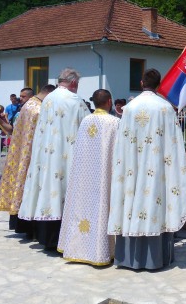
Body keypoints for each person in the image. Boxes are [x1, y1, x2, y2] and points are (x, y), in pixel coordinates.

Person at [107, 68, 186, 270]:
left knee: (131, 203)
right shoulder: (164, 108)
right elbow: (174, 144)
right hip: (156, 169)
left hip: (131, 169)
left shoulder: (129, 108)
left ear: (141, 83)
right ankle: (155, 259)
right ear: (159, 84)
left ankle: (128, 258)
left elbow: (121, 143)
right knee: (154, 205)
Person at [18, 68, 90, 250]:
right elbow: (88, 126)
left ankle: (46, 238)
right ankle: (62, 240)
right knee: (63, 193)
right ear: (73, 83)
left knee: (49, 191)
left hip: (47, 155)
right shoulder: (75, 100)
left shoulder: (47, 99)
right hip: (67, 155)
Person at [58, 89, 119, 265]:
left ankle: (78, 249)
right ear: (109, 101)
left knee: (82, 209)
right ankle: (99, 252)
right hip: (104, 176)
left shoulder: (85, 121)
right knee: (101, 209)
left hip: (84, 176)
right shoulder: (114, 122)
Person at [0, 84, 55, 233]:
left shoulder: (28, 107)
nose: (21, 99)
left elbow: (15, 130)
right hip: (32, 155)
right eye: (20, 97)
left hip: (23, 153)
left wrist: (1, 122)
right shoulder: (38, 109)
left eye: (22, 97)